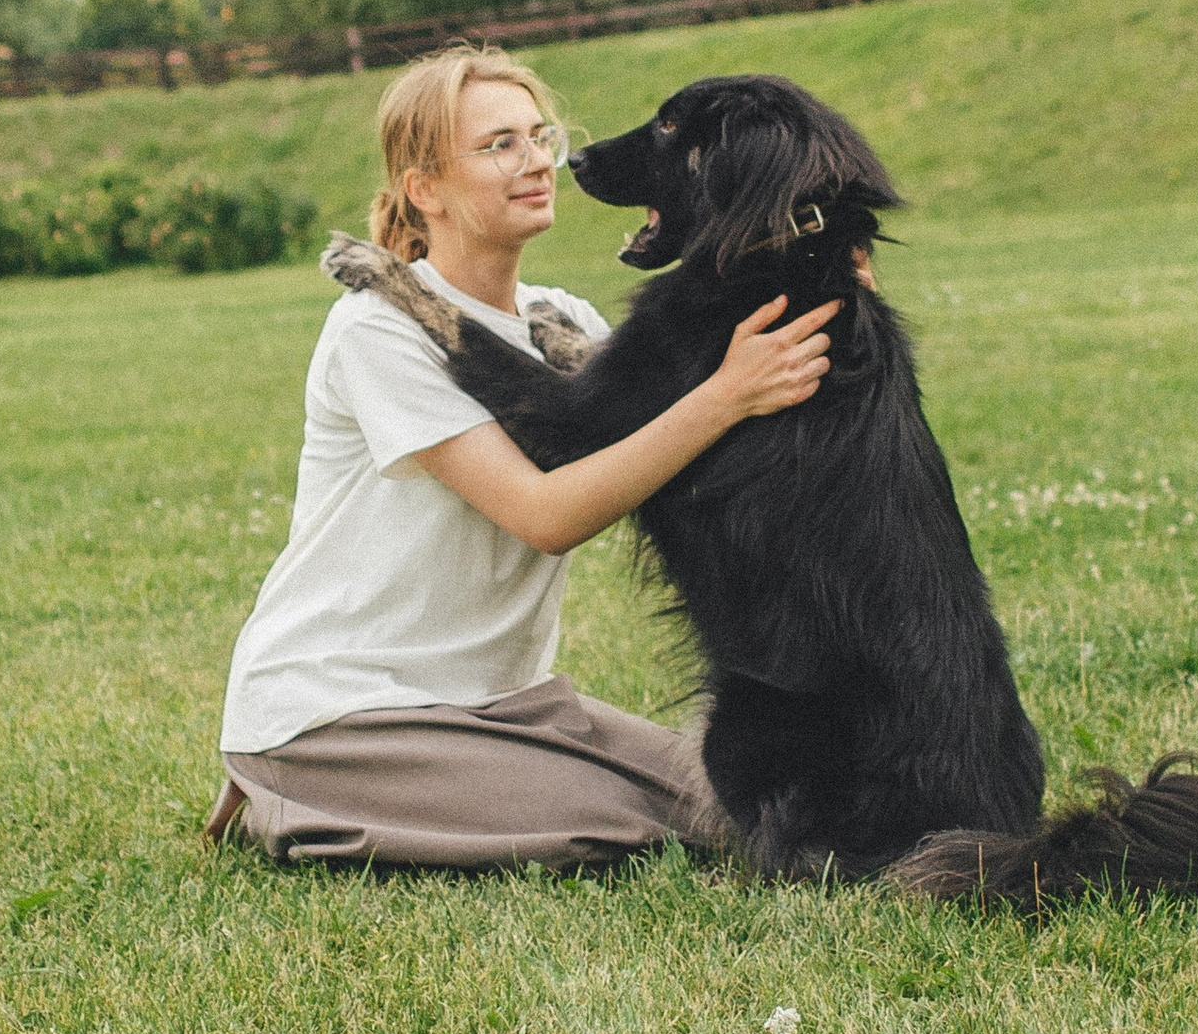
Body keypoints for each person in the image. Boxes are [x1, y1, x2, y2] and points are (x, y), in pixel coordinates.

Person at [209, 43, 836, 869]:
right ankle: (291, 786)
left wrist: (829, 266)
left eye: (540, 136)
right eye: (499, 144)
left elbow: (681, 444)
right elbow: (545, 514)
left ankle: (364, 791)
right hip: (343, 705)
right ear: (424, 188)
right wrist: (724, 396)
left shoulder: (558, 317)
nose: (537, 160)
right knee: (618, 831)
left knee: (736, 809)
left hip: (503, 703)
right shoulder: (379, 328)